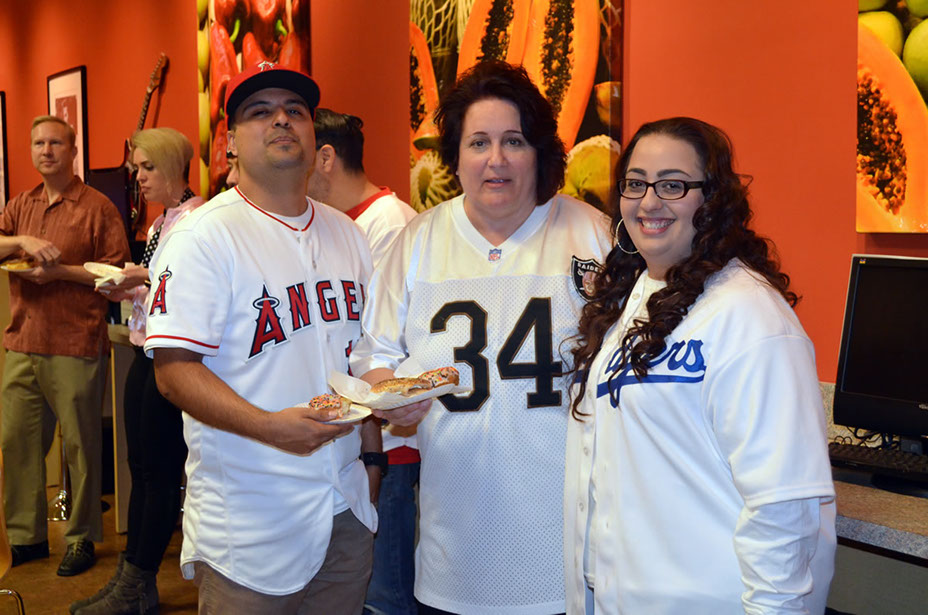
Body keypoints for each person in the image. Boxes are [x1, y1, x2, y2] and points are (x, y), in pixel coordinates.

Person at [349, 60, 612, 614]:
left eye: (514, 140)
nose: (497, 159)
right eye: (478, 142)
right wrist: (394, 396)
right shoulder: (419, 241)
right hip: (456, 541)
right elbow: (374, 353)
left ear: (538, 150)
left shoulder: (591, 233)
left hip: (568, 545)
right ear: (456, 155)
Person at [564, 117, 836, 614]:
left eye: (673, 185)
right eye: (635, 183)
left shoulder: (751, 317)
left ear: (712, 200)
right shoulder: (633, 299)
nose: (649, 202)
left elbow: (783, 505)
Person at [143, 61, 379, 614]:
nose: (281, 119)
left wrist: (374, 463)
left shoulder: (348, 234)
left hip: (345, 506)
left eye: (295, 110)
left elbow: (361, 360)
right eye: (259, 111)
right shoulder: (203, 237)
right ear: (230, 142)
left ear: (314, 135)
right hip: (251, 521)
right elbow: (173, 372)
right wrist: (270, 428)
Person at [70, 128, 205, 615]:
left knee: (160, 471)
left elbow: (189, 281)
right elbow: (160, 287)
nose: (139, 177)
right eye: (137, 168)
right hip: (144, 346)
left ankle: (139, 579)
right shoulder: (162, 220)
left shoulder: (197, 219)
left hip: (171, 355)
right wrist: (131, 287)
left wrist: (141, 277)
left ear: (170, 165)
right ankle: (131, 574)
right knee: (140, 467)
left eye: (147, 167)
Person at [0, 115, 131, 576]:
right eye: (38, 143)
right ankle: (26, 538)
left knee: (80, 447)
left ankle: (81, 537)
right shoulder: (21, 205)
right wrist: (20, 240)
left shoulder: (97, 207)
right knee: (16, 442)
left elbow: (117, 276)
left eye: (56, 143)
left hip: (76, 341)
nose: (46, 151)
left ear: (73, 151)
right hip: (22, 340)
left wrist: (60, 273)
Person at [304, 107, 418, 615]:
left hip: (391, 442)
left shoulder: (388, 224)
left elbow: (383, 339)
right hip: (354, 439)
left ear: (325, 157)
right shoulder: (338, 225)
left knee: (382, 595)